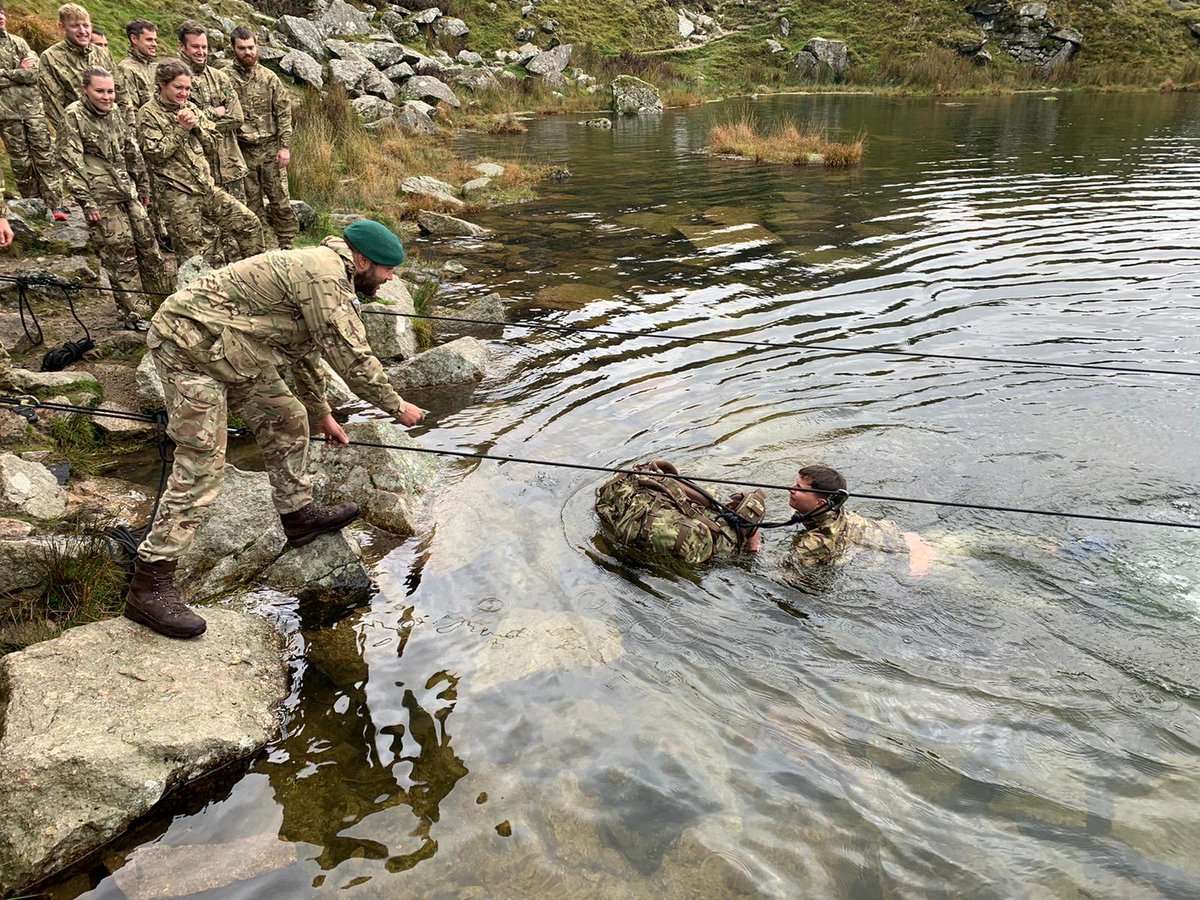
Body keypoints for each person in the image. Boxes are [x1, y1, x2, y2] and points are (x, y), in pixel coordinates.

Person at [125, 219, 427, 639]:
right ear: (362, 261)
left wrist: (320, 412)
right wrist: (396, 406)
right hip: (187, 348)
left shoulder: (329, 274)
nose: (391, 278)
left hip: (232, 346)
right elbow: (351, 357)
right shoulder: (324, 278)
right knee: (202, 464)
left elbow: (307, 349)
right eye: (388, 270)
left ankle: (298, 515)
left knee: (287, 417)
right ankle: (150, 583)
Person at [59, 67, 165, 329]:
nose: (106, 97)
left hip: (127, 191)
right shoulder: (73, 116)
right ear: (85, 90)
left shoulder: (115, 111)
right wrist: (87, 202)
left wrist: (143, 186)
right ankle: (134, 315)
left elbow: (130, 149)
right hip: (101, 198)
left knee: (149, 247)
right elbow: (70, 162)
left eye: (110, 91)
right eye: (100, 91)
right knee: (121, 253)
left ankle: (162, 304)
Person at [136, 57, 262, 264]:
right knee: (194, 256)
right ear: (162, 84)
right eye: (178, 87)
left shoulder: (191, 108)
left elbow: (213, 144)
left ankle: (257, 275)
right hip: (179, 196)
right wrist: (181, 129)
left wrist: (197, 128)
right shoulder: (148, 113)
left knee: (249, 223)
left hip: (206, 188)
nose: (184, 93)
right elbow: (155, 154)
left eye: (187, 88)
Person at [595, 460, 766, 565]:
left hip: (628, 504)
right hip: (709, 544)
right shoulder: (721, 544)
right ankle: (752, 542)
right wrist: (753, 546)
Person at [782, 464, 934, 579]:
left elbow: (780, 575)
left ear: (820, 503)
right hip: (914, 538)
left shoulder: (814, 543)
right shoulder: (834, 510)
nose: (791, 488)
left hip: (914, 561)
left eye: (799, 488)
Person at [177, 20, 248, 260]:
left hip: (231, 166)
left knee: (238, 227)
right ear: (182, 47)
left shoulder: (220, 78)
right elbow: (180, 120)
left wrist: (200, 121)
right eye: (195, 47)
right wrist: (214, 112)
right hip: (200, 169)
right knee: (207, 233)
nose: (201, 52)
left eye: (204, 47)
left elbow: (237, 117)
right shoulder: (176, 81)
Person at [227, 27, 299, 250]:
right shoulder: (224, 78)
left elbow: (284, 113)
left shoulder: (269, 78)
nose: (247, 52)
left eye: (251, 47)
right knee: (251, 203)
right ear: (233, 48)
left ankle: (287, 244)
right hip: (242, 150)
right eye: (242, 48)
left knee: (280, 199)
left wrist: (284, 147)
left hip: (270, 149)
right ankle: (258, 247)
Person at [0, 2, 66, 218]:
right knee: (21, 161)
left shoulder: (18, 42)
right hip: (7, 114)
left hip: (33, 111)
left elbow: (34, 73)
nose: (1, 17)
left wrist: (6, 74)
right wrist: (19, 72)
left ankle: (56, 204)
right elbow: (25, 74)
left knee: (45, 156)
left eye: (2, 12)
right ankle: (33, 204)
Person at [38, 3, 112, 138]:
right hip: (78, 132)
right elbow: (52, 104)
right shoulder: (50, 58)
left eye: (86, 25)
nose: (82, 31)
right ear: (62, 27)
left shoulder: (101, 53)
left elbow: (120, 91)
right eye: (74, 26)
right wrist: (71, 135)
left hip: (109, 128)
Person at [115, 19, 156, 127]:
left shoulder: (154, 68)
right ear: (134, 39)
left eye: (155, 40)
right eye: (149, 40)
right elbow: (128, 111)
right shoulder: (125, 69)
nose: (154, 44)